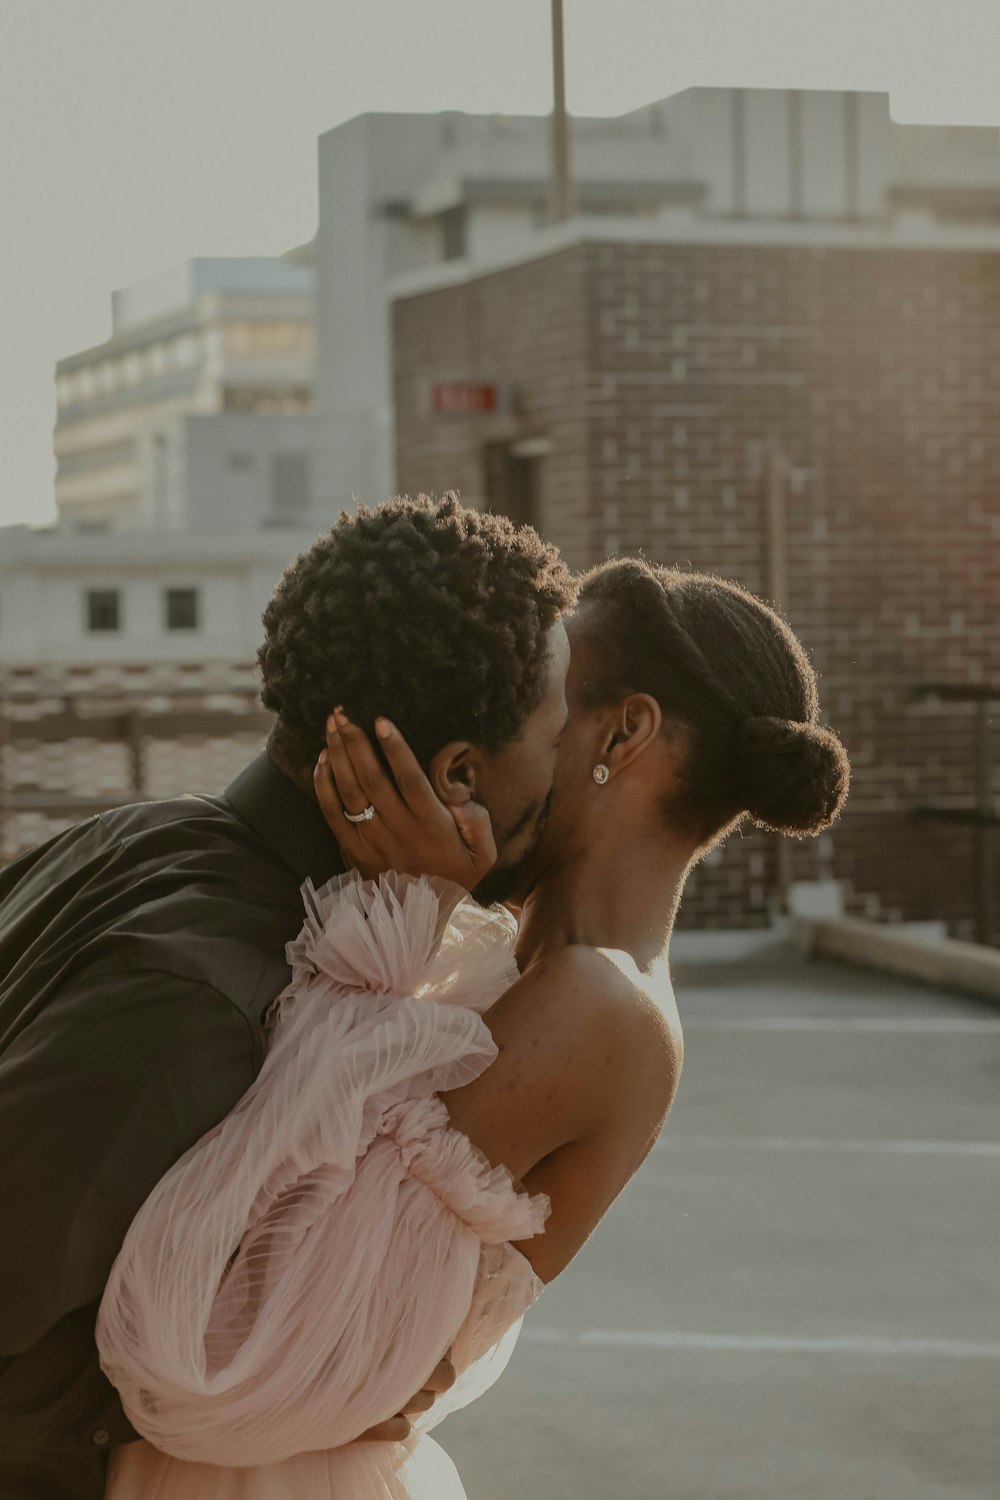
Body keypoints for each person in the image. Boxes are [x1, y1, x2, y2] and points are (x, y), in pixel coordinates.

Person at [93, 556, 851, 1498]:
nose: (496, 723)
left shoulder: (594, 1003)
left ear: (625, 730)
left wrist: (402, 903)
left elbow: (227, 1348)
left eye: (543, 696)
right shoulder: (511, 953)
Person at [0, 494, 575, 1500]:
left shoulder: (139, 832)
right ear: (455, 773)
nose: (569, 772)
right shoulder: (211, 993)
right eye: (554, 736)